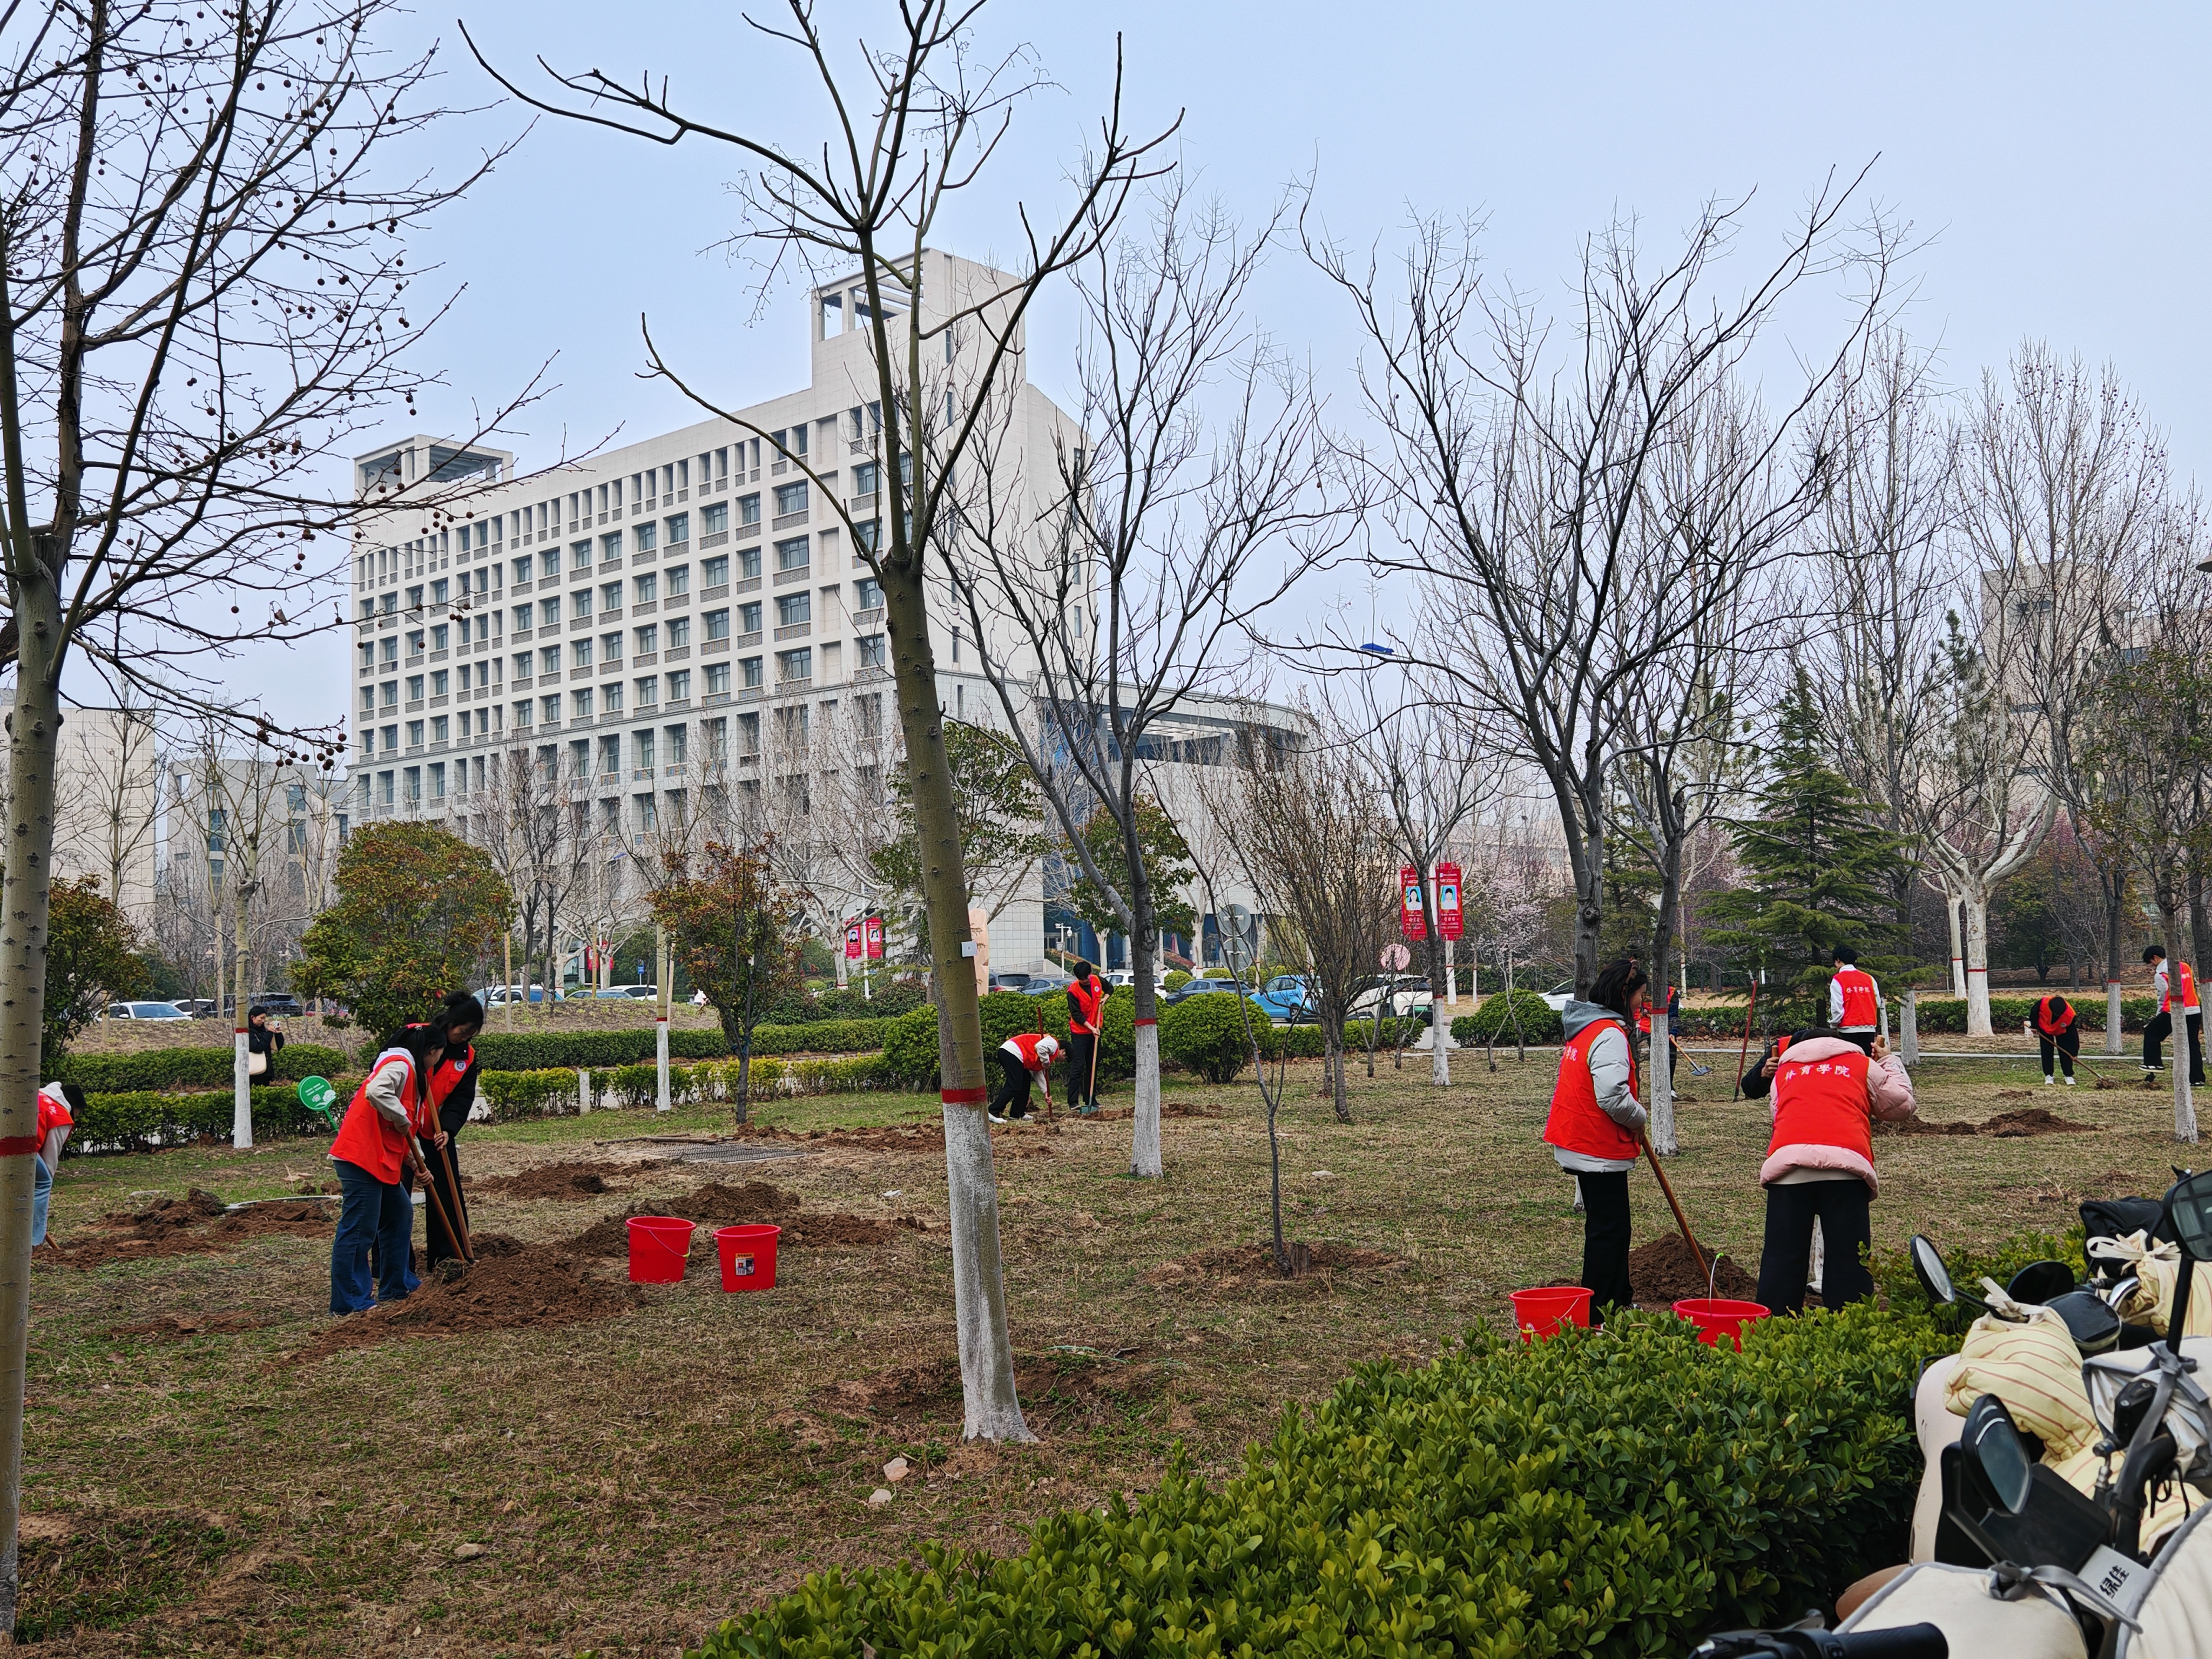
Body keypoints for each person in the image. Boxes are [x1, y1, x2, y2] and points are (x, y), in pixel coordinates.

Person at [1742, 1023, 1917, 1316]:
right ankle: (1850, 1327)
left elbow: (1777, 1113)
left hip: (1789, 1167)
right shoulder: (1860, 1064)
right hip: (1845, 1168)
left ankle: (1775, 1326)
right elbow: (1901, 1107)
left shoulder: (1784, 1070)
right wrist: (1888, 1060)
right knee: (1849, 1256)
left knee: (1782, 1256)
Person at [1542, 958, 1648, 1321]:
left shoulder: (1588, 1029)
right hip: (1595, 1145)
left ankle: (1618, 1299)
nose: (1641, 1005)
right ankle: (1599, 1313)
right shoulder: (1608, 1034)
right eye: (1639, 996)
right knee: (1609, 1231)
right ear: (1624, 993)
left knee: (1615, 1228)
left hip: (1585, 1141)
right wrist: (1640, 1117)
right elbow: (1611, 1095)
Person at [328, 1022, 448, 1314]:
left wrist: (418, 1161)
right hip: (361, 1158)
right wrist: (403, 1122)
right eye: (438, 1057)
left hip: (381, 1159)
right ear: (430, 1052)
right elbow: (378, 1092)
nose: (437, 1064)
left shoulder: (411, 1074)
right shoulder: (401, 1064)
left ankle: (397, 1284)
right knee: (359, 1229)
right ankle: (350, 1300)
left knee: (400, 1213)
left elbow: (403, 1129)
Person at [415, 992, 485, 1271]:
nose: (466, 1037)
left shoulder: (467, 1057)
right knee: (392, 1196)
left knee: (446, 1190)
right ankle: (390, 1263)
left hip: (435, 1132)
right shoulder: (422, 1041)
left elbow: (461, 1098)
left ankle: (449, 1257)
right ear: (450, 1022)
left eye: (472, 1034)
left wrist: (448, 1129)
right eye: (463, 1030)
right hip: (402, 1127)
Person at [2143, 945, 2204, 1083]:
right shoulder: (2185, 966)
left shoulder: (2161, 974)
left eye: (2151, 962)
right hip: (2194, 1009)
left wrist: (2159, 1015)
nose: (2152, 966)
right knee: (2192, 1044)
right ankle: (2197, 1079)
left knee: (2151, 1033)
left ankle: (2154, 1064)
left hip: (2174, 1011)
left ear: (2155, 958)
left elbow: (2163, 996)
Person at [31, 1081, 77, 1247]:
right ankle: (35, 1241)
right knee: (43, 1183)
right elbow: (50, 1161)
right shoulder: (61, 1117)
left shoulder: (39, 1095)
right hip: (19, 1149)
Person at [1064, 961, 1108, 1116]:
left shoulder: (1096, 980)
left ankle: (1091, 1099)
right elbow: (1076, 1015)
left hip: (1095, 1030)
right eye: (1083, 978)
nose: (1087, 979)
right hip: (1080, 1032)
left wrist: (1106, 998)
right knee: (1078, 1065)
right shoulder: (1073, 991)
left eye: (1088, 976)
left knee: (1093, 1065)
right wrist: (1091, 1028)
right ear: (1078, 978)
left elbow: (1110, 988)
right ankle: (1073, 1102)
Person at [986, 1032, 1058, 1123]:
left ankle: (1017, 1113)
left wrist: (1045, 1092)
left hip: (1015, 1055)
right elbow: (1040, 1047)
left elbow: (1037, 1072)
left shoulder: (1048, 1050)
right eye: (1065, 1057)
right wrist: (1046, 1062)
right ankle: (993, 1111)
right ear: (1063, 1051)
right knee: (1014, 1085)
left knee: (1026, 1079)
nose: (1061, 1060)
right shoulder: (1054, 1044)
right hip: (1012, 1052)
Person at [1828, 946, 1881, 1054]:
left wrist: (1833, 1025)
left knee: (1850, 1063)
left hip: (1848, 1029)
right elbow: (1878, 1002)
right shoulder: (1869, 978)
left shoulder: (1838, 979)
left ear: (1838, 960)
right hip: (1869, 1028)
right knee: (1866, 1062)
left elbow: (1837, 1008)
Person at [2035, 992, 2081, 1086]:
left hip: (2062, 1031)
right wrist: (2034, 1027)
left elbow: (2073, 1037)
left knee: (2065, 1051)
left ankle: (2068, 1075)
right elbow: (2034, 1014)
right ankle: (2049, 1075)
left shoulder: (2070, 1015)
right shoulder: (2043, 1003)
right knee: (2047, 1051)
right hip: (2045, 1028)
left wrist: (2074, 1053)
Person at [246, 1004, 287, 1078]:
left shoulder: (263, 1031)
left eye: (264, 1018)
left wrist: (278, 1034)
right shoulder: (248, 1032)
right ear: (252, 1017)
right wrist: (270, 1033)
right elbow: (258, 1047)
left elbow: (277, 1047)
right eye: (261, 1018)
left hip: (266, 1069)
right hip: (254, 1070)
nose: (263, 1021)